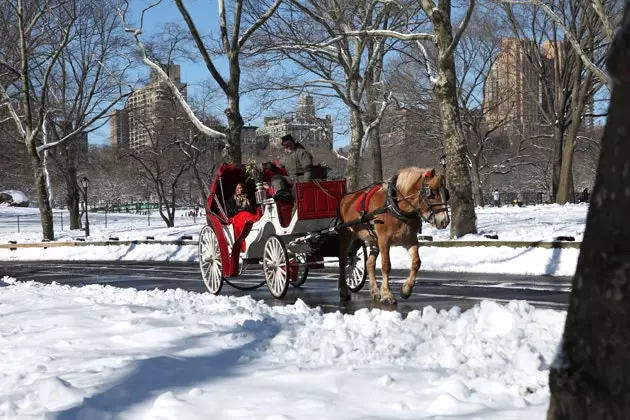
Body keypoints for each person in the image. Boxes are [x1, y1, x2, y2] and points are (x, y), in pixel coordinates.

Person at [226, 182, 258, 251]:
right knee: (243, 216)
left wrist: (246, 208)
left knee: (251, 217)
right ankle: (242, 245)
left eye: (239, 188)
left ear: (243, 189)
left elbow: (253, 208)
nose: (237, 190)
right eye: (236, 188)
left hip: (247, 216)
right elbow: (229, 212)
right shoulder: (232, 200)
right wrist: (239, 210)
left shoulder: (249, 198)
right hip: (236, 217)